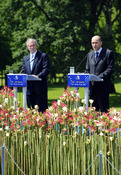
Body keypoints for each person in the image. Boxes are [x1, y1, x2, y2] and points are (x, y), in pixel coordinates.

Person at [85, 35, 114, 113]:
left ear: (101, 43)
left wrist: (98, 77)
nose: (94, 45)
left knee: (104, 112)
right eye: (92, 43)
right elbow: (87, 69)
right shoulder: (89, 55)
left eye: (96, 43)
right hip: (92, 89)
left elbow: (110, 69)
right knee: (93, 113)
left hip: (103, 88)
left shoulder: (108, 53)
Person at [21, 38, 50, 112]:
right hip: (29, 90)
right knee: (31, 111)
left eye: (33, 45)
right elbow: (23, 72)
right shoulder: (25, 59)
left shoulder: (43, 56)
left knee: (41, 112)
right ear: (27, 47)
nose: (32, 47)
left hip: (40, 90)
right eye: (30, 46)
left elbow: (46, 69)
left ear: (36, 46)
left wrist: (38, 76)